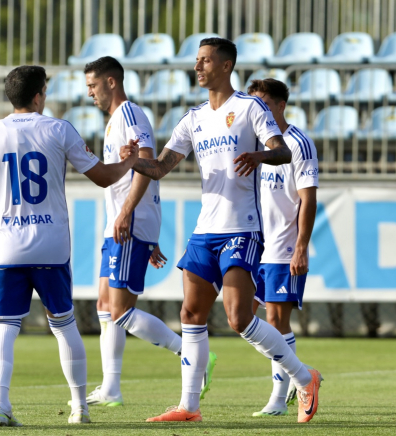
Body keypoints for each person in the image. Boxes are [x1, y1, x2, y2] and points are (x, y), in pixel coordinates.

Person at [119, 38, 322, 423]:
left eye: (205, 61)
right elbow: (161, 167)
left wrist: (259, 155)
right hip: (205, 230)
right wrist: (131, 161)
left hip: (242, 228)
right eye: (196, 60)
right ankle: (189, 407)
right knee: (191, 313)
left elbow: (282, 151)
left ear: (226, 66)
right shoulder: (193, 118)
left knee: (238, 318)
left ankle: (303, 376)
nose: (198, 67)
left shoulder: (249, 107)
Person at [0, 65, 139, 426]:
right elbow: (103, 177)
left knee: (5, 328)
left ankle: (1, 408)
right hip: (50, 245)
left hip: (6, 246)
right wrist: (132, 159)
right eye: (44, 91)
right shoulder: (58, 129)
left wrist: (9, 212)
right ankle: (79, 408)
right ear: (37, 95)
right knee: (64, 325)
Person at [78, 56, 217, 407]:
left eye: (93, 85)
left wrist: (129, 214)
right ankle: (111, 388)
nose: (89, 93)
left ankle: (192, 353)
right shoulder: (114, 122)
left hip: (128, 221)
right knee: (105, 307)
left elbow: (148, 163)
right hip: (124, 222)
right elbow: (130, 167)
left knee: (121, 310)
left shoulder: (130, 114)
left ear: (111, 82)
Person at [247, 79, 319, 417]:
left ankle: (278, 399)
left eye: (264, 103)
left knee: (275, 320)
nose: (259, 110)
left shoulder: (298, 144)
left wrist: (301, 247)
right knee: (245, 316)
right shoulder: (258, 146)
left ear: (280, 106)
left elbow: (308, 199)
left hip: (284, 246)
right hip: (257, 247)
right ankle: (302, 375)